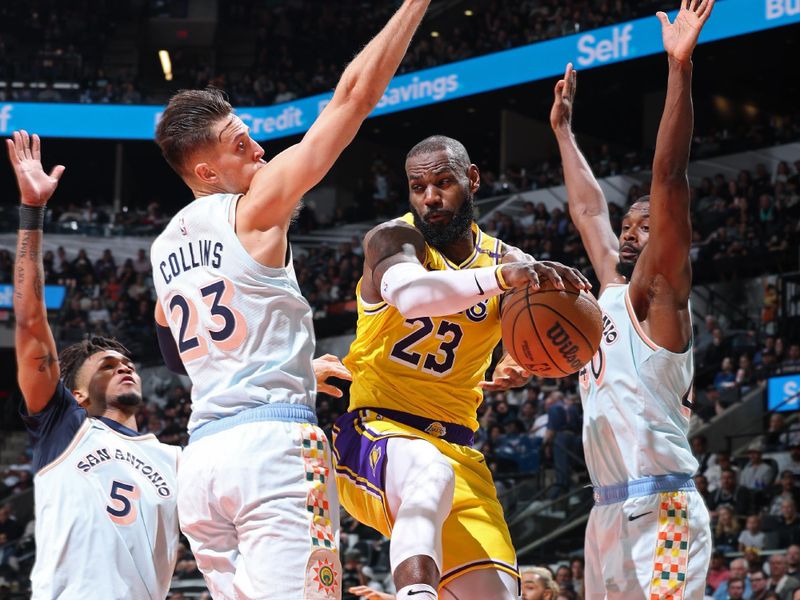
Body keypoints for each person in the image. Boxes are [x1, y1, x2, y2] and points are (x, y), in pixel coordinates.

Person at [149, 2, 431, 598]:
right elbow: (352, 98)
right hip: (272, 453)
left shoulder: (159, 249)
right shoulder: (253, 206)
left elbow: (176, 354)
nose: (259, 150)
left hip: (201, 462)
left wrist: (292, 364)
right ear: (205, 171)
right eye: (241, 143)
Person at [332, 136, 589, 599]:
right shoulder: (393, 239)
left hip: (458, 450)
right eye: (418, 186)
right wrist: (499, 279)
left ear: (472, 180)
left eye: (443, 182)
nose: (430, 197)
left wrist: (517, 359)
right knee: (428, 472)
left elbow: (528, 328)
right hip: (373, 433)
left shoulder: (507, 260)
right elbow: (412, 296)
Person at [550, 0, 715, 597]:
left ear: (666, 238)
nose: (627, 230)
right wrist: (564, 133)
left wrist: (680, 69)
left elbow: (668, 178)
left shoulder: (660, 297)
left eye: (643, 226)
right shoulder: (614, 293)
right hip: (606, 510)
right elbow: (589, 209)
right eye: (627, 226)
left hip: (662, 505)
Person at [6, 130, 180, 599]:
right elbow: (28, 322)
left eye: (126, 362)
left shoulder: (176, 460)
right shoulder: (65, 424)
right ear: (76, 395)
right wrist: (32, 213)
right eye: (106, 366)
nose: (124, 367)